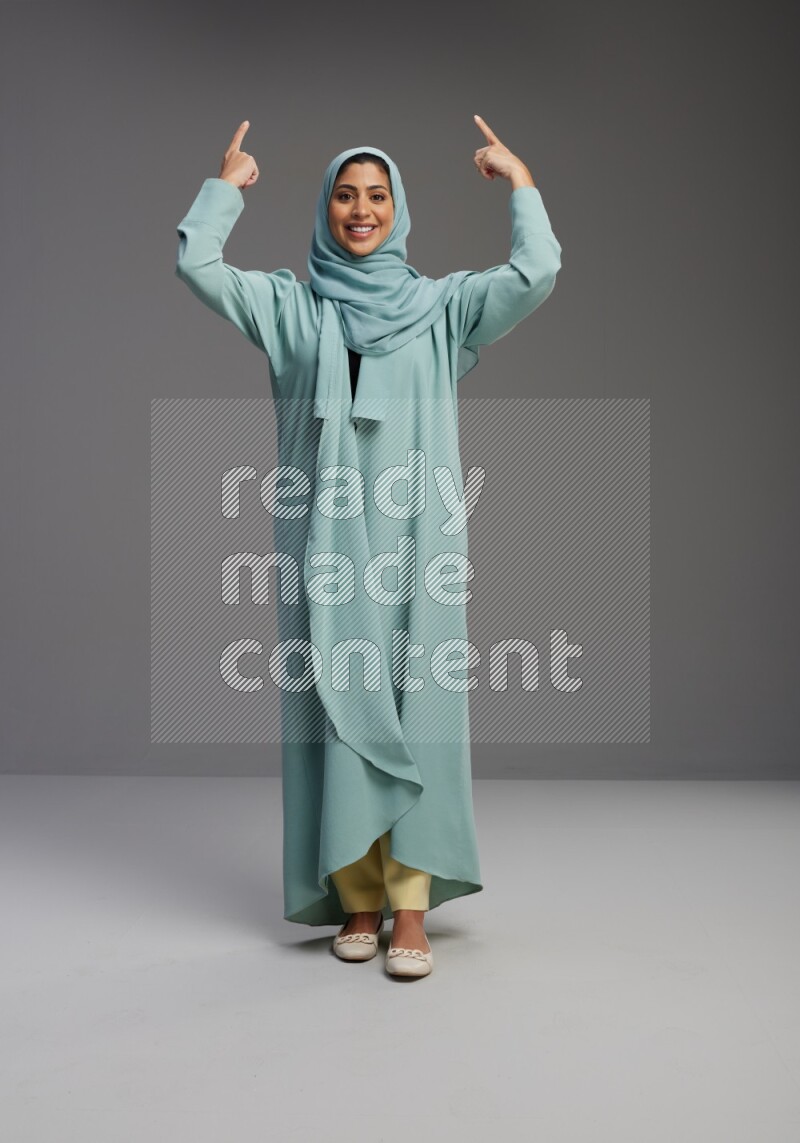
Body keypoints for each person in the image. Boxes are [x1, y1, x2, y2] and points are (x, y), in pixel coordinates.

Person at [175, 116, 562, 979]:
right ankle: (357, 897)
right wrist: (226, 189)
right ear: (325, 208)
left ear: (399, 208)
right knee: (334, 718)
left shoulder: (444, 307)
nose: (361, 210)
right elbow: (197, 266)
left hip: (421, 543)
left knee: (420, 711)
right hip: (324, 546)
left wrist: (521, 180)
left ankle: (412, 906)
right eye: (346, 195)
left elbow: (536, 273)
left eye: (377, 196)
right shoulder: (289, 306)